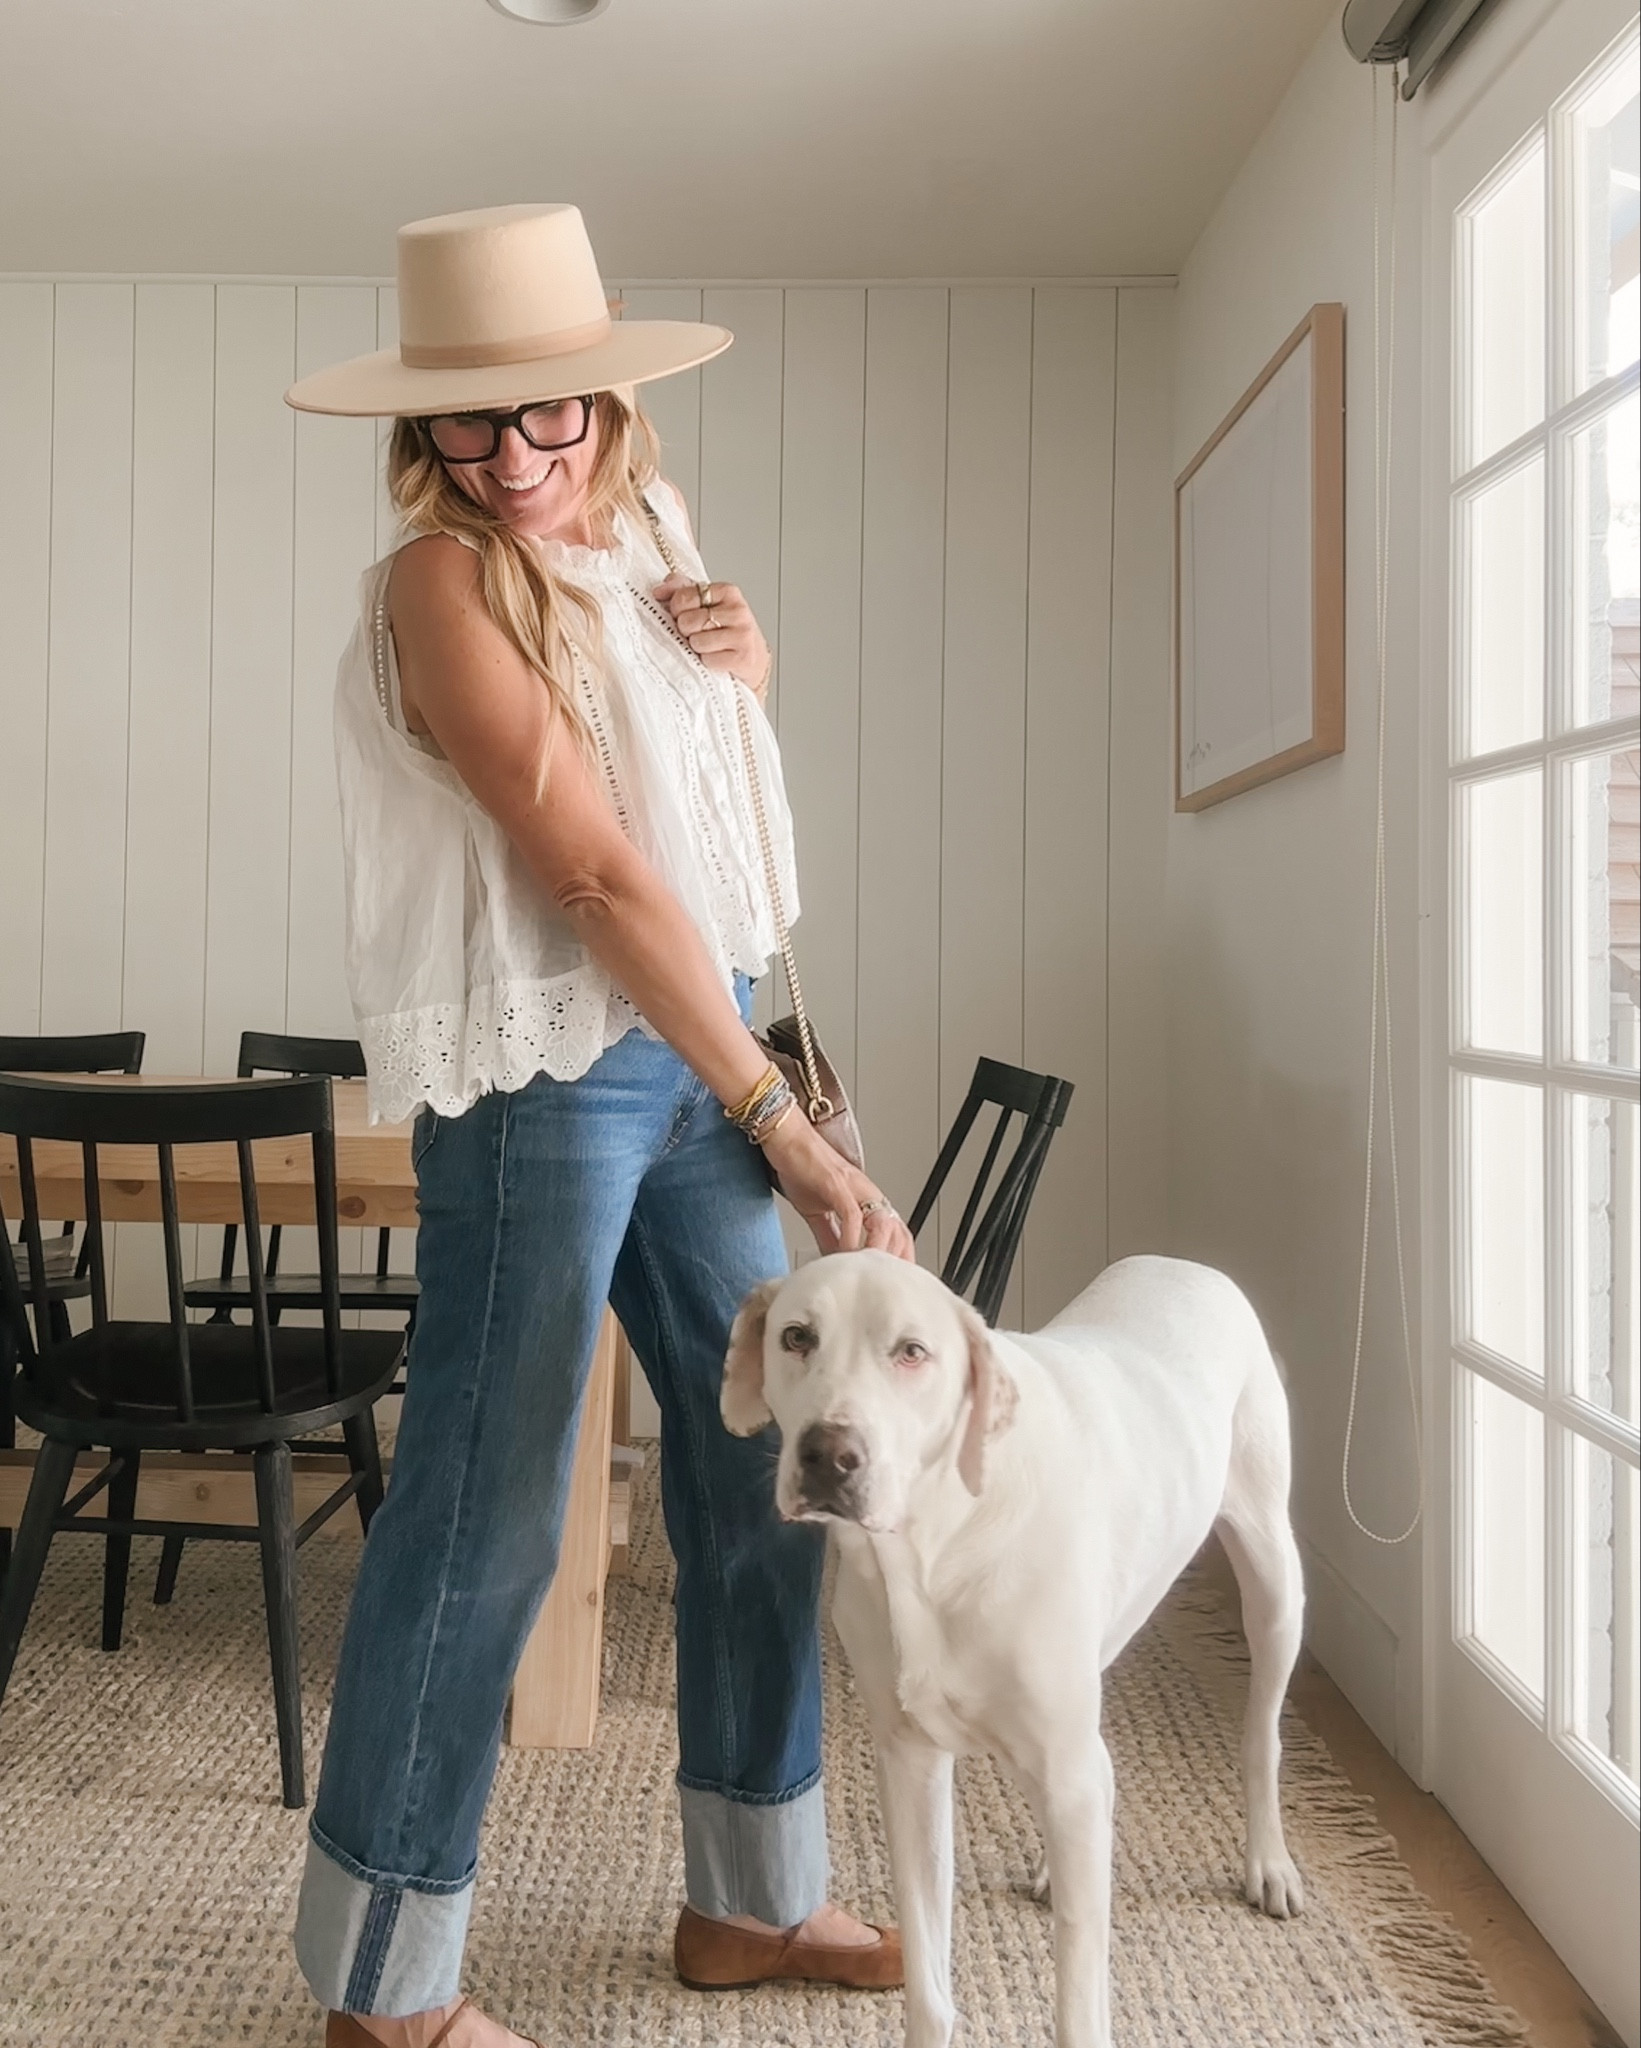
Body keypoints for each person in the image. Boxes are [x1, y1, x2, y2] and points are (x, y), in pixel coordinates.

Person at [283, 203, 915, 2048]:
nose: (513, 460)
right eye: (471, 429)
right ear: (424, 438)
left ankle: (755, 1901)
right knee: (483, 1513)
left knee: (754, 1468)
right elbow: (583, 864)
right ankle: (385, 1991)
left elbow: (699, 827)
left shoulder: (645, 541)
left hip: (688, 1045)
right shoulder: (438, 581)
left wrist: (746, 675)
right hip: (552, 1077)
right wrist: (782, 1123)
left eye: (548, 417)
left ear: (610, 409)